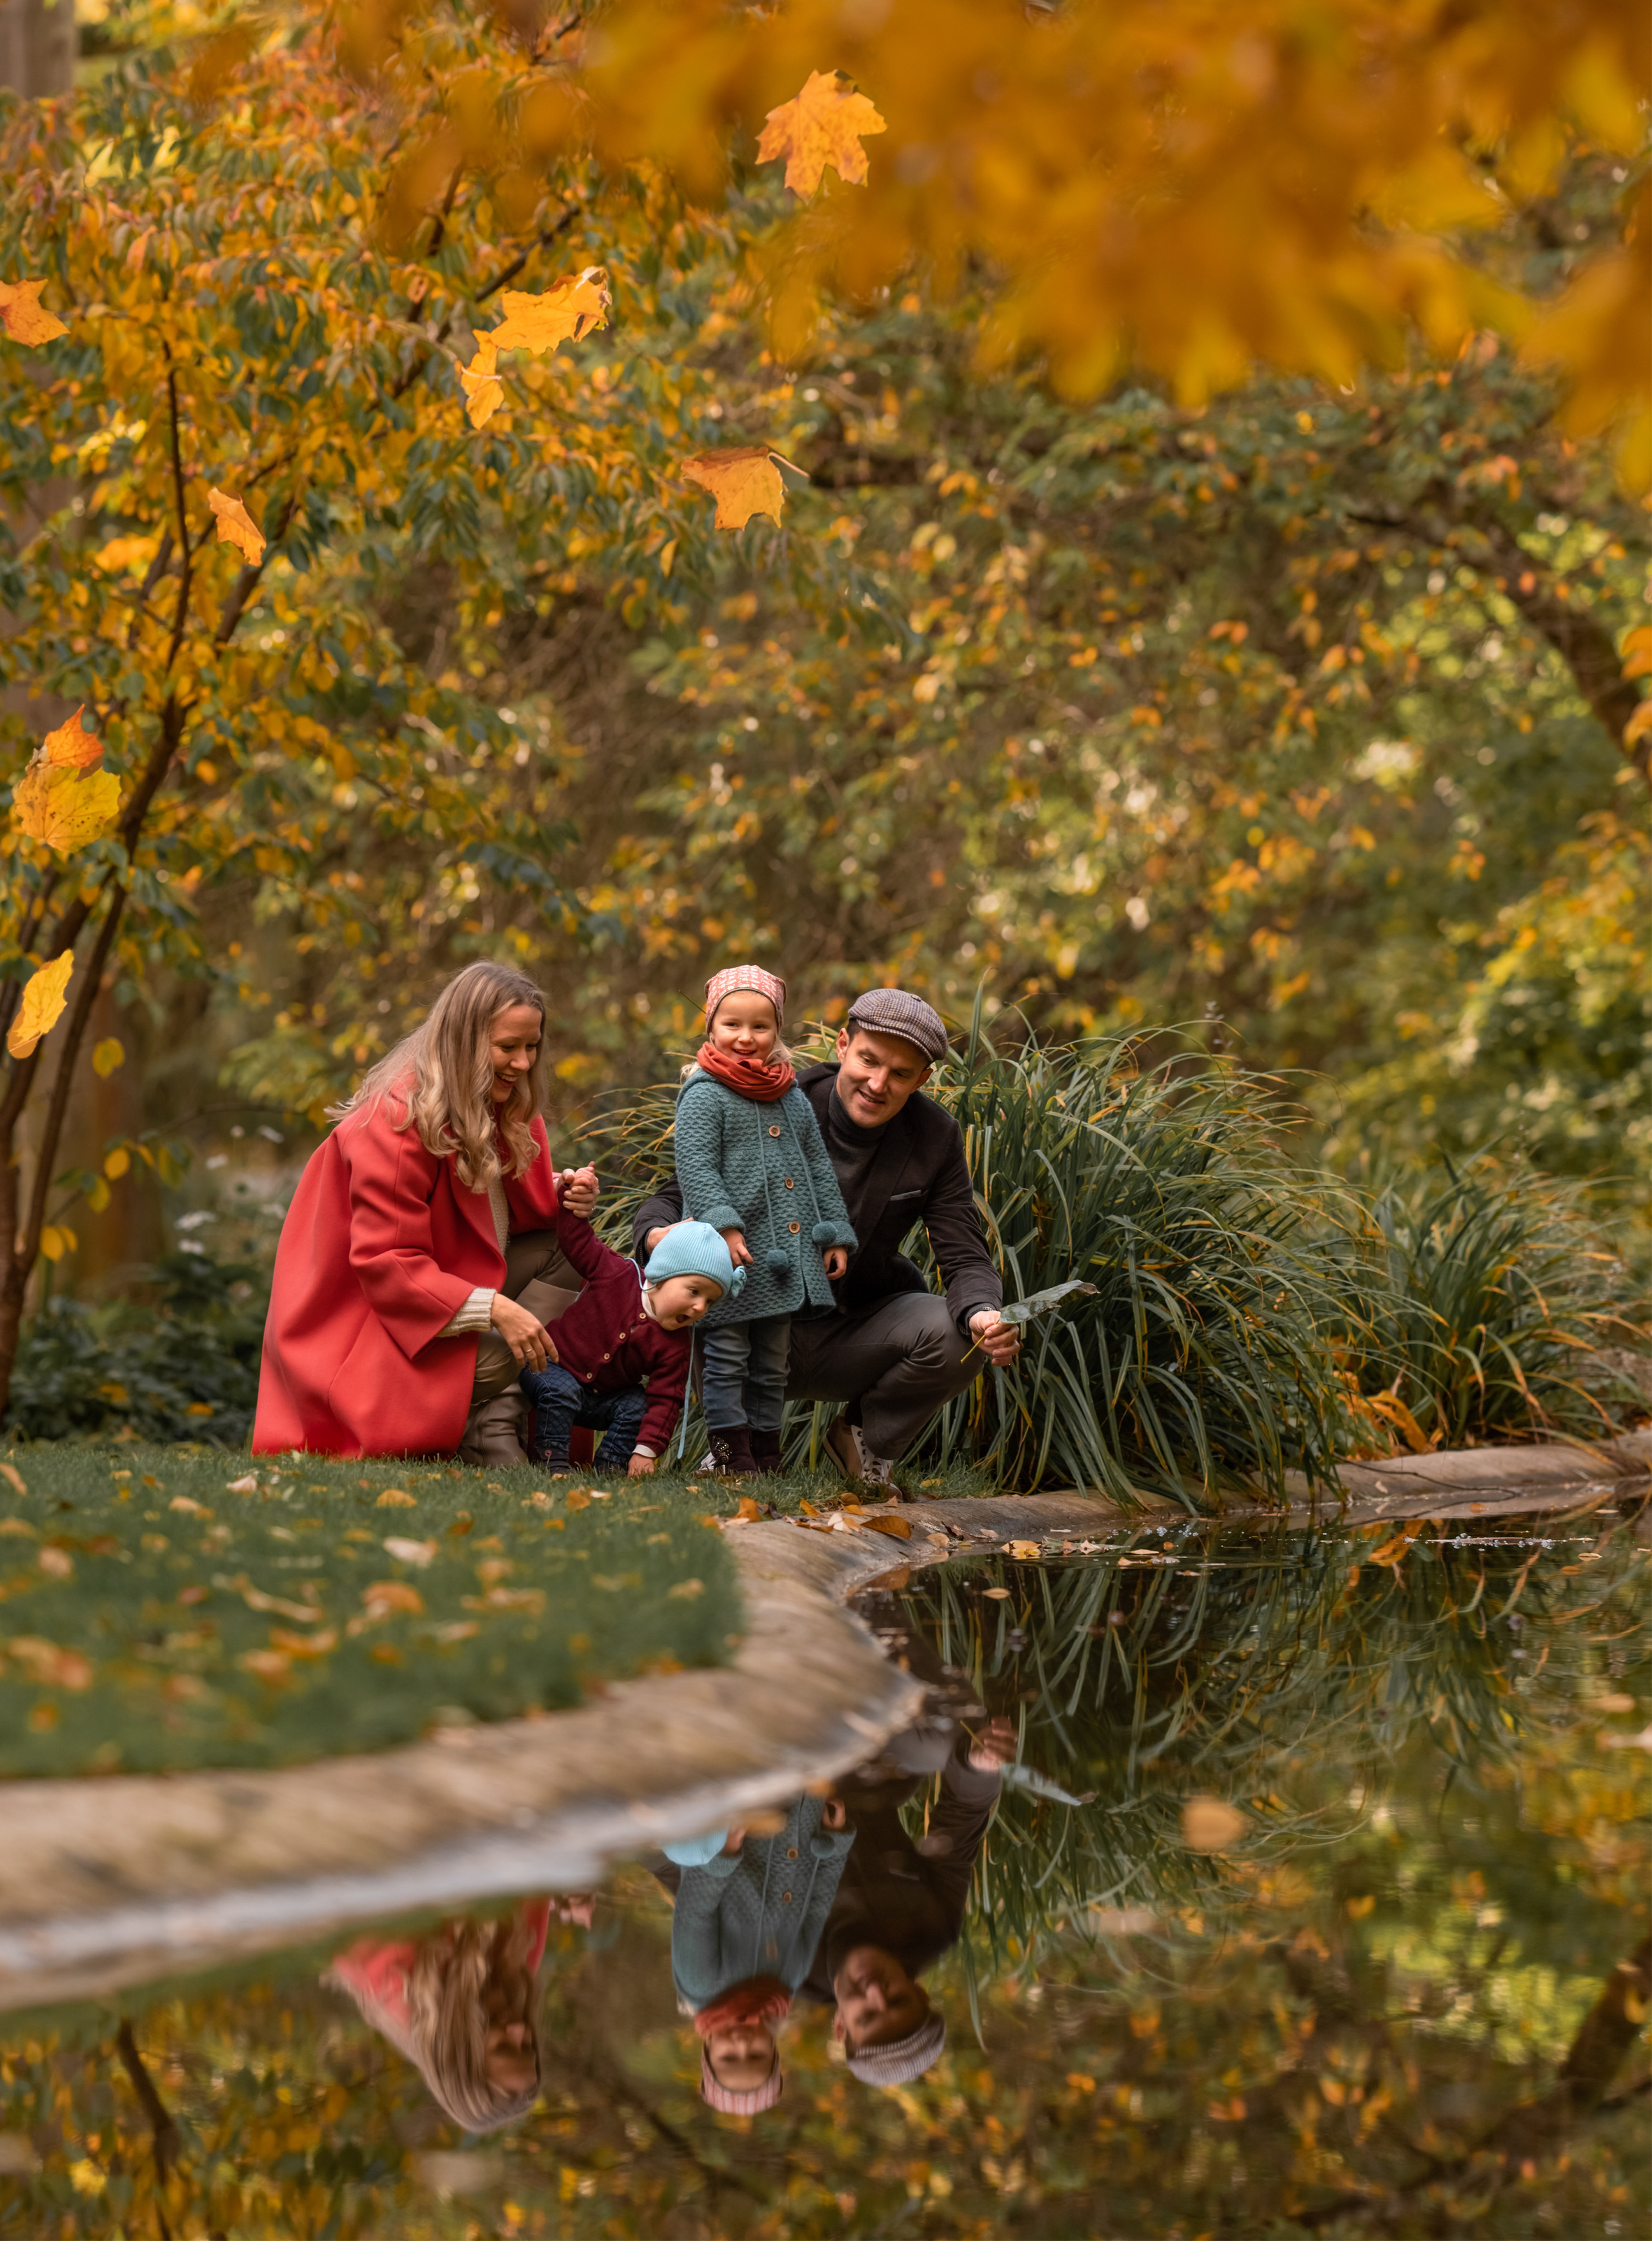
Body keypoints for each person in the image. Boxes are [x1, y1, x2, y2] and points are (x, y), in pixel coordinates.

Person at [637, 986, 1020, 1492]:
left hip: (853, 1326)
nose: (877, 1083)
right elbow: (679, 1191)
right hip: (748, 1309)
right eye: (868, 1060)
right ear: (843, 1045)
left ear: (924, 1079)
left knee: (959, 1335)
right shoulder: (775, 1098)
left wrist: (984, 1314)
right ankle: (731, 1450)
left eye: (901, 1074)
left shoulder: (936, 1138)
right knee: (701, 1298)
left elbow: (964, 1249)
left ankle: (862, 1440)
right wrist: (660, 1241)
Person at [254, 960, 595, 1465]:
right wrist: (498, 1309)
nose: (524, 1063)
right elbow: (386, 1262)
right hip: (379, 1336)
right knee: (515, 1330)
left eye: (532, 1047)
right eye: (508, 1048)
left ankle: (492, 1424)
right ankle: (475, 1420)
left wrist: (564, 1191)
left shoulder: (501, 1106)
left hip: (449, 1301)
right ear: (464, 1042)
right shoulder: (396, 1121)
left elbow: (498, 1219)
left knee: (573, 1251)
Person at [672, 965, 856, 1475]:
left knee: (772, 1364)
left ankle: (765, 1455)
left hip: (782, 1258)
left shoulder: (789, 1093)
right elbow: (696, 1166)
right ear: (711, 1027)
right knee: (728, 1357)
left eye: (760, 1026)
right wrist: (725, 1226)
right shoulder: (704, 1093)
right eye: (732, 1024)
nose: (746, 1038)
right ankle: (731, 1457)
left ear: (777, 1030)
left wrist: (835, 1232)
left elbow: (817, 1164)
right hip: (729, 1254)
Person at [799, 1718, 1016, 2091]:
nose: (874, 1993)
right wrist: (978, 1766)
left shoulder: (780, 1969)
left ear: (840, 2026)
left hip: (768, 1788)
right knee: (950, 1738)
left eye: (866, 2017)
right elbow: (963, 1818)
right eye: (898, 2000)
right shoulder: (932, 1928)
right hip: (860, 1761)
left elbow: (697, 1888)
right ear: (917, 1991)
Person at [323, 1897, 589, 2133]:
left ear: (460, 2050)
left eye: (505, 2048)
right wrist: (564, 1894)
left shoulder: (391, 1974)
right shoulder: (517, 1966)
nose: (520, 2030)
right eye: (528, 2047)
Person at [665, 1795, 855, 2116]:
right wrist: (834, 1844)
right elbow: (816, 1909)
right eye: (756, 2056)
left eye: (728, 2058)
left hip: (740, 1827)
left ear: (708, 2050)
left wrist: (724, 1852)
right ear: (774, 2051)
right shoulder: (788, 1981)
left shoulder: (701, 1986)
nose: (741, 2045)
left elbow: (694, 1912)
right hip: (802, 1824)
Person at [518, 1218, 740, 1474]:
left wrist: (646, 1450)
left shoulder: (677, 1344)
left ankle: (612, 1466)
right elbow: (578, 1244)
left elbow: (667, 1399)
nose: (700, 1307)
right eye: (694, 1292)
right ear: (665, 1273)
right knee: (562, 1389)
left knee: (637, 1404)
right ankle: (552, 1462)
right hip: (548, 1367)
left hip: (598, 1399)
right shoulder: (617, 1275)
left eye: (710, 1301)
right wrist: (575, 1208)